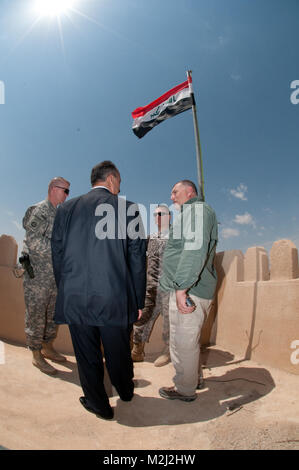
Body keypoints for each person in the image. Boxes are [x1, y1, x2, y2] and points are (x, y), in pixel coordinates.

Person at [51, 161, 146, 420]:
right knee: (119, 352)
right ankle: (125, 392)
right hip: (115, 298)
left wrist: (67, 289)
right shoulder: (128, 209)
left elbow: (57, 254)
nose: (120, 186)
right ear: (112, 180)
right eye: (120, 182)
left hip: (75, 297)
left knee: (87, 355)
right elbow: (137, 257)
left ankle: (99, 406)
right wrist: (137, 300)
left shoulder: (66, 209)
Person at [159, 180, 218, 402]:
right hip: (188, 288)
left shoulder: (197, 210)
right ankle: (195, 379)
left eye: (175, 192)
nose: (171, 196)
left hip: (189, 290)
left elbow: (194, 251)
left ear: (189, 191)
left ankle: (185, 389)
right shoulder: (190, 213)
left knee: (183, 342)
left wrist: (182, 289)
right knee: (186, 341)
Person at [22, 177, 70, 375]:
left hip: (53, 276)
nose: (67, 194)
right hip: (38, 277)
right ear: (53, 189)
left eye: (68, 191)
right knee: (36, 314)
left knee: (51, 315)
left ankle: (48, 347)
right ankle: (36, 354)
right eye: (65, 190)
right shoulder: (40, 210)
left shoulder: (57, 213)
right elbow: (33, 241)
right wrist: (58, 252)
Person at [131, 204, 171, 367]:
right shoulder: (151, 238)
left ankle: (168, 351)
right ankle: (137, 350)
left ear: (169, 216)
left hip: (170, 289)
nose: (158, 217)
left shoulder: (176, 237)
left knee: (170, 322)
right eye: (155, 214)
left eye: (162, 214)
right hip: (151, 288)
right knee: (141, 319)